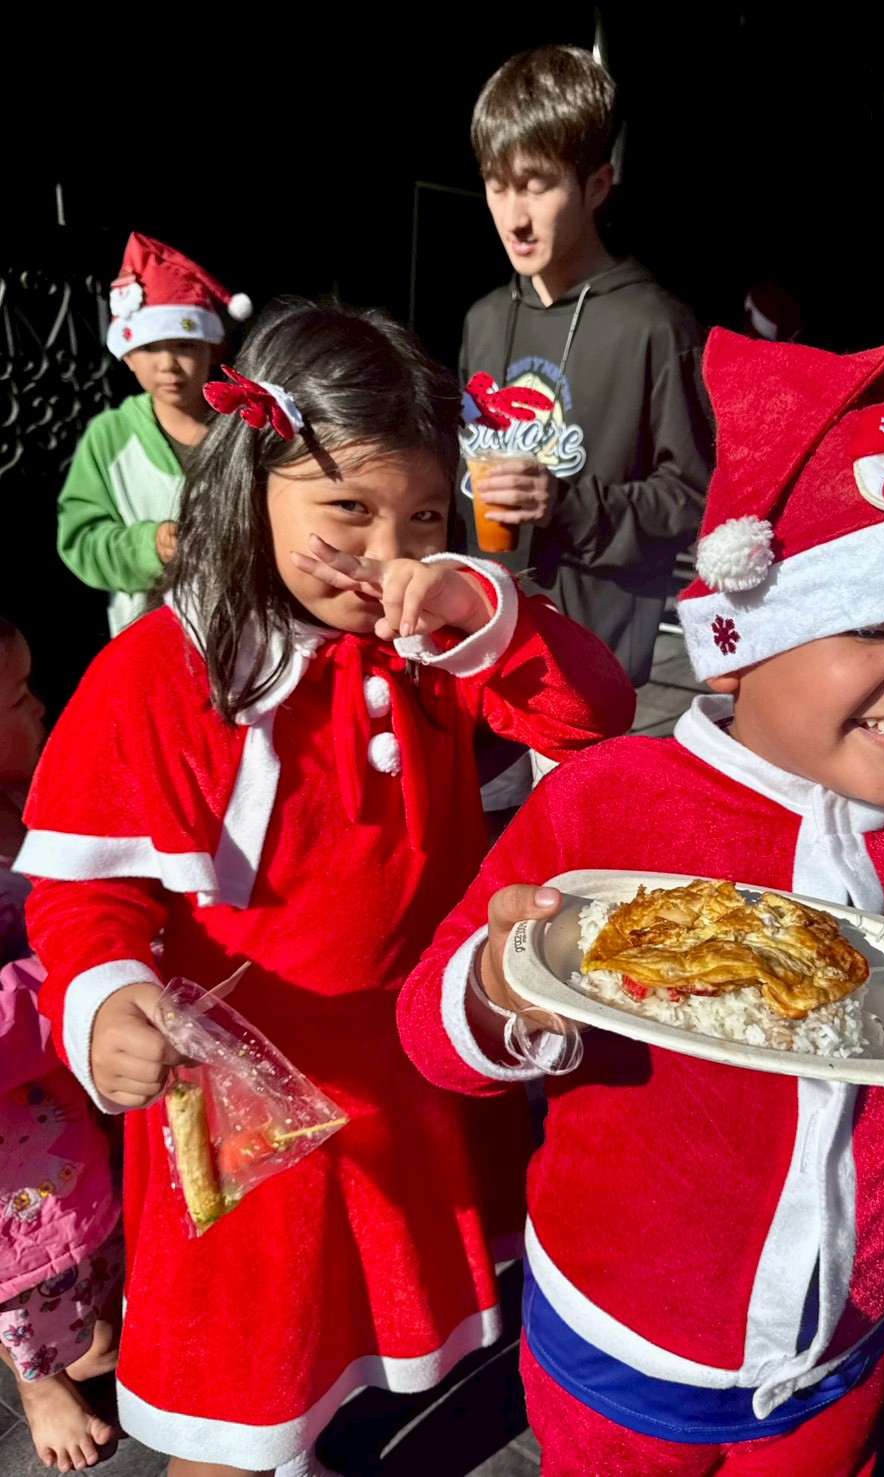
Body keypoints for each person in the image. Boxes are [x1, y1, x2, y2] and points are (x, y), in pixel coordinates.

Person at [17, 299, 636, 1477]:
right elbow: (86, 890)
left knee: (363, 1326)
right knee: (242, 1385)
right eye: (347, 510)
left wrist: (484, 614)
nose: (387, 552)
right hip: (249, 1105)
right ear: (248, 487)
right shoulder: (163, 669)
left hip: (409, 1073)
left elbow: (589, 712)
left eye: (422, 515)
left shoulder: (428, 641)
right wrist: (101, 995)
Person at [399, 329, 884, 1476]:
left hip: (842, 1351)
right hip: (622, 1339)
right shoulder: (607, 804)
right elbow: (433, 1037)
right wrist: (497, 987)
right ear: (741, 645)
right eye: (872, 625)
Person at [459, 43, 714, 690]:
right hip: (476, 649)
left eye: (537, 186)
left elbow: (691, 501)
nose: (514, 218)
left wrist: (564, 503)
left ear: (597, 186)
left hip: (589, 672)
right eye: (497, 186)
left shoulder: (655, 326)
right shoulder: (483, 319)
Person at [0, 620, 124, 1473]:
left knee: (91, 1239)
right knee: (27, 1276)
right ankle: (38, 1382)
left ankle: (90, 1337)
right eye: (17, 698)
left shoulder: (18, 798)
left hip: (66, 1105)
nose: (40, 706)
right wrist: (75, 977)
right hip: (11, 1159)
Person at [57, 233, 252, 636]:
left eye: (184, 345)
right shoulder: (109, 437)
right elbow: (81, 540)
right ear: (127, 356)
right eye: (149, 348)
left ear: (213, 350)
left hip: (244, 630)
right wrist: (150, 546)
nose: (168, 365)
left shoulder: (242, 427)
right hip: (149, 638)